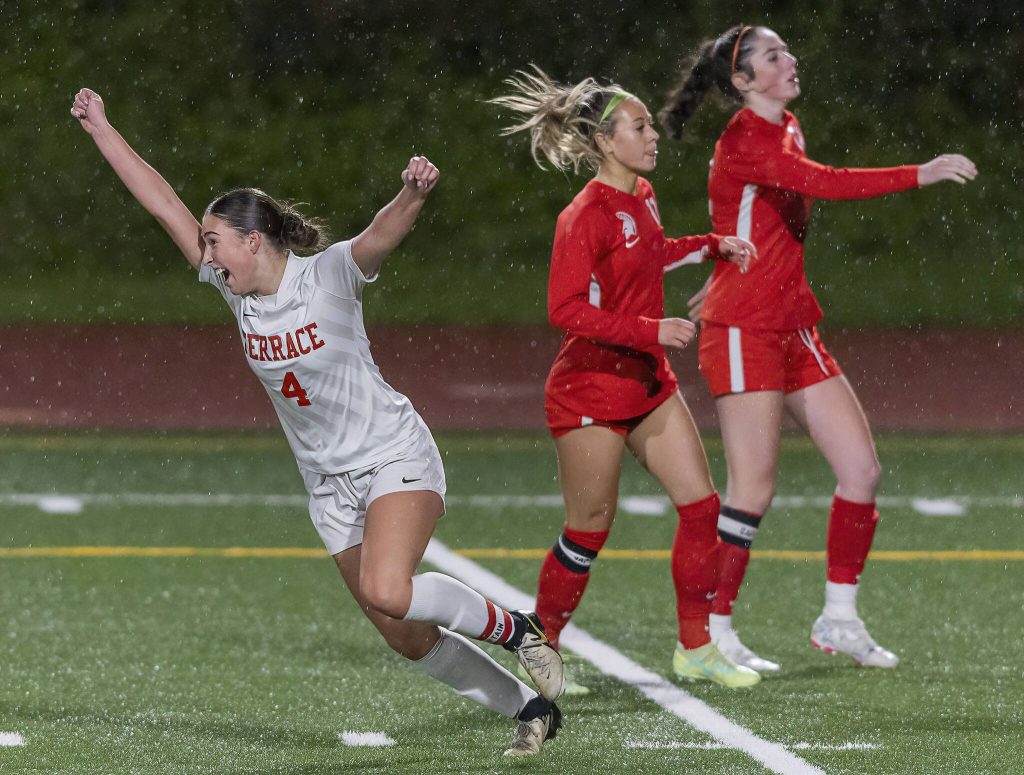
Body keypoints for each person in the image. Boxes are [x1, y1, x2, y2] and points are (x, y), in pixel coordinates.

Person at [70, 87, 566, 757]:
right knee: (400, 629)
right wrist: (102, 128)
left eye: (216, 243)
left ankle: (516, 626)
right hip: (330, 488)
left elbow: (377, 237)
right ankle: (530, 706)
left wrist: (412, 194)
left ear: (254, 240)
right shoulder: (231, 289)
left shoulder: (328, 275)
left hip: (393, 454)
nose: (206, 255)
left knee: (387, 588)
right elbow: (161, 201)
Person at [658, 26, 978, 672]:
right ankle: (712, 630)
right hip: (746, 330)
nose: (790, 60)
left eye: (786, 50)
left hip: (793, 324)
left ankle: (838, 616)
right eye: (773, 56)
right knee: (753, 486)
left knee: (860, 469)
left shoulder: (786, 126)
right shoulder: (747, 138)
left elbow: (751, 227)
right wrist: (922, 172)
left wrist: (725, 274)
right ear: (743, 81)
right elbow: (826, 184)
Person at [490, 67, 762, 692]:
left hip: (646, 382)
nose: (653, 135)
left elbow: (654, 250)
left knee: (702, 507)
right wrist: (651, 328)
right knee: (588, 530)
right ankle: (542, 651)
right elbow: (565, 311)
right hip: (588, 390)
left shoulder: (640, 193)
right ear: (607, 142)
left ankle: (695, 646)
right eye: (639, 127)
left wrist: (716, 245)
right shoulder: (581, 215)